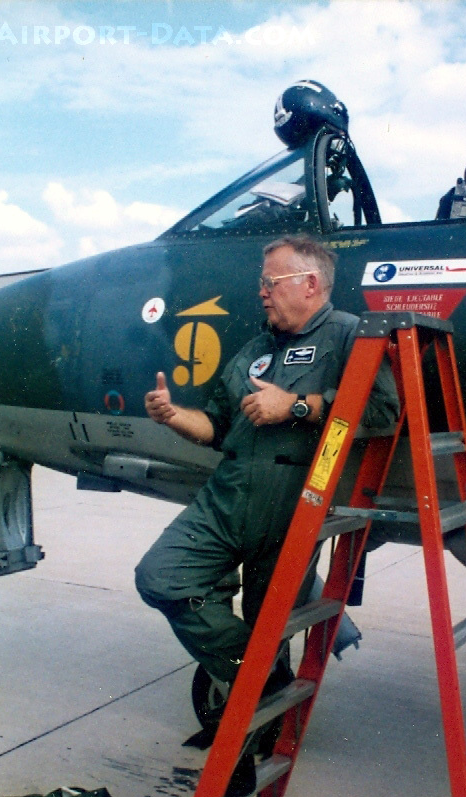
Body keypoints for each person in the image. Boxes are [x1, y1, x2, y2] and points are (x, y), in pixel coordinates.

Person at [135, 236, 399, 764]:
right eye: (262, 283)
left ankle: (254, 717)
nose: (261, 293)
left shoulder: (350, 335)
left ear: (310, 283)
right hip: (228, 493)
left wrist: (296, 406)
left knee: (267, 621)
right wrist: (173, 416)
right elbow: (217, 426)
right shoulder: (256, 349)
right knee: (161, 577)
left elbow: (384, 413)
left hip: (291, 501)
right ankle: (261, 677)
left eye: (271, 283)